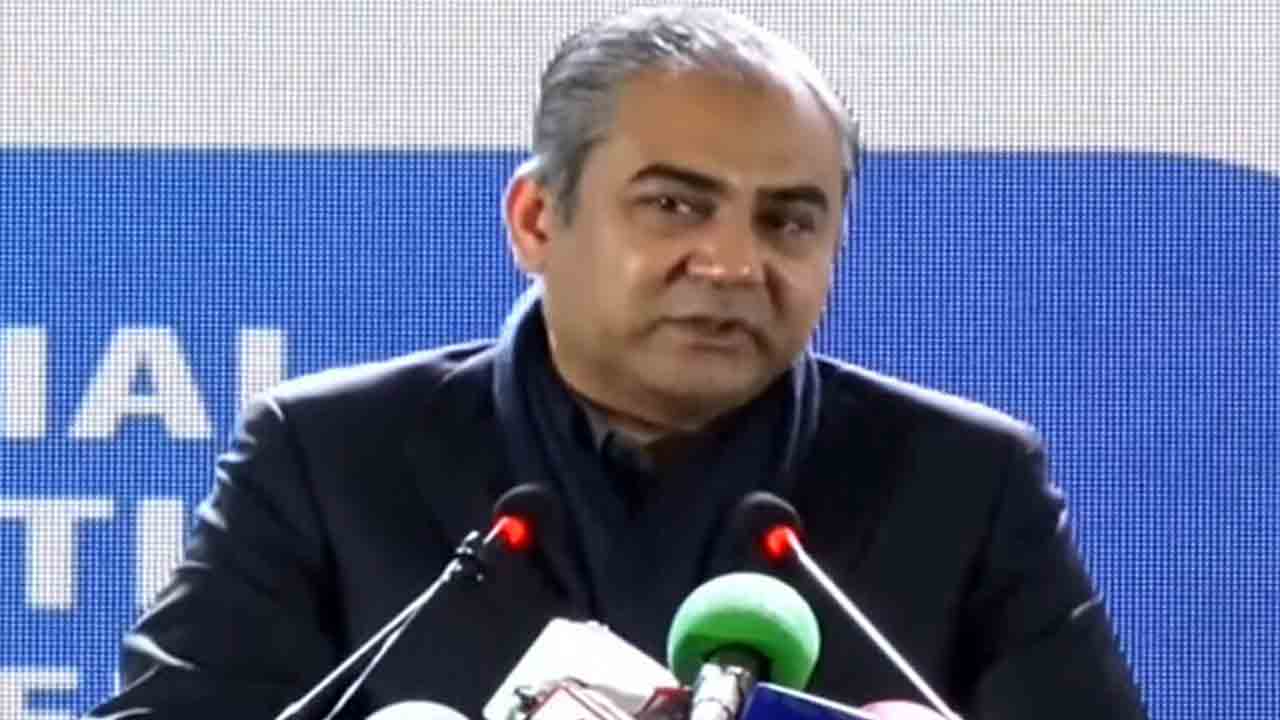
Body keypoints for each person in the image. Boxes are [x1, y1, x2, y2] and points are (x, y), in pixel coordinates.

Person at [87, 7, 1145, 719]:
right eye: (675, 204)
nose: (732, 263)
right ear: (536, 219)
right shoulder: (328, 457)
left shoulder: (964, 481)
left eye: (787, 222)